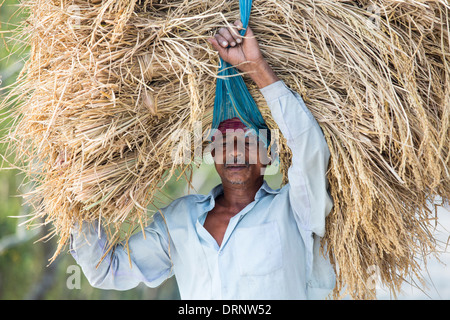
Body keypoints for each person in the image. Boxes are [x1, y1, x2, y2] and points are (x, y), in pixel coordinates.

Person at [70, 20, 335, 299]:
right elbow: (106, 270)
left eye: (249, 141)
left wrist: (257, 67)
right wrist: (76, 193)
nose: (235, 150)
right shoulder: (181, 220)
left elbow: (309, 150)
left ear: (269, 156)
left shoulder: (294, 211)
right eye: (225, 141)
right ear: (212, 153)